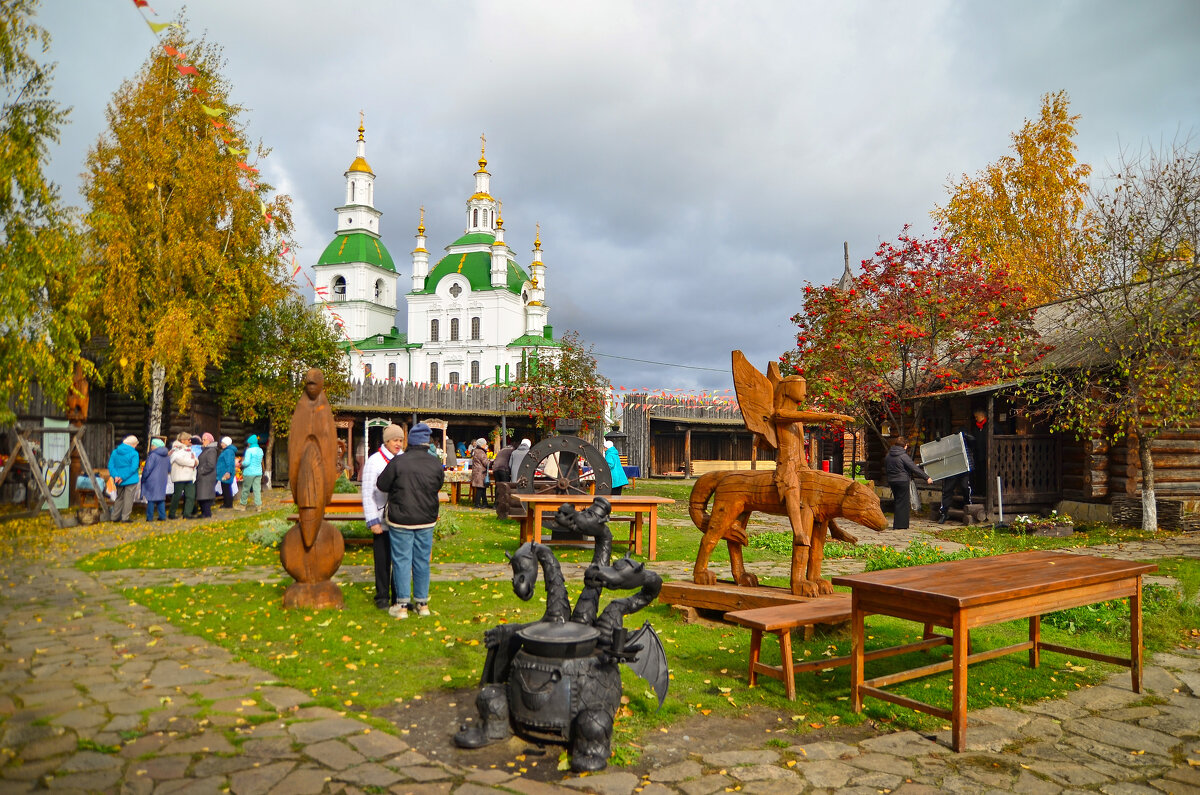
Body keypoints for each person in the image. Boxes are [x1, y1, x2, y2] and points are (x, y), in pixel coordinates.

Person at [377, 422, 444, 619]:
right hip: (426, 518)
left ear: (410, 441)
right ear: (426, 442)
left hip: (401, 519)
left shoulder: (398, 462)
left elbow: (382, 484)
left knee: (402, 561)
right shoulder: (435, 463)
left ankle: (402, 606)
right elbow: (438, 484)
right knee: (422, 561)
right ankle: (422, 605)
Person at [361, 424, 404, 609]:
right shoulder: (375, 461)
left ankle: (398, 597)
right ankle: (382, 597)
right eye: (395, 440)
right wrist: (372, 520)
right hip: (381, 517)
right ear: (387, 441)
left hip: (400, 519)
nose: (398, 444)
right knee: (382, 561)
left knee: (399, 561)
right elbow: (367, 492)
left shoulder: (403, 459)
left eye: (401, 440)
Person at [939, 409, 986, 522]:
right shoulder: (952, 443)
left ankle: (968, 506)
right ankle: (943, 512)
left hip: (965, 468)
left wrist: (964, 435)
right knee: (947, 489)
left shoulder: (969, 441)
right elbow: (944, 448)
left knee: (966, 487)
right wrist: (939, 441)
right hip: (953, 469)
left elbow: (973, 440)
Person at [884, 436, 933, 530]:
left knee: (898, 501)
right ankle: (901, 525)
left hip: (892, 481)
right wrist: (927, 478)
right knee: (903, 503)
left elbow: (886, 467)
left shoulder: (888, 455)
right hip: (902, 481)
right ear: (905, 446)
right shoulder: (903, 456)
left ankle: (898, 524)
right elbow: (914, 468)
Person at [106, 435, 141, 523]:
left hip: (118, 480)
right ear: (132, 444)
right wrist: (123, 477)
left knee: (119, 498)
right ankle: (125, 518)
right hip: (130, 479)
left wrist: (116, 476)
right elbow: (134, 468)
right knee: (128, 499)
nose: (136, 446)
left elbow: (111, 466)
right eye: (136, 444)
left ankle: (114, 516)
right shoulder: (134, 453)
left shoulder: (115, 452)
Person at [168, 433, 197, 519]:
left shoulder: (189, 450)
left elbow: (196, 459)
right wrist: (192, 462)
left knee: (191, 495)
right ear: (183, 440)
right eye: (189, 440)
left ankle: (187, 514)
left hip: (189, 476)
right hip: (180, 476)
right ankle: (172, 513)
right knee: (177, 496)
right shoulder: (176, 449)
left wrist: (195, 462)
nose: (190, 441)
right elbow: (179, 460)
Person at [141, 438, 170, 522]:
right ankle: (162, 516)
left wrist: (144, 477)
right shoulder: (167, 456)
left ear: (155, 446)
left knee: (151, 498)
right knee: (161, 498)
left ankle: (149, 517)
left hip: (152, 480)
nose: (151, 447)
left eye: (152, 445)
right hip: (162, 479)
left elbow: (147, 469)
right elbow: (169, 468)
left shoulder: (153, 456)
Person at [236, 434, 265, 511]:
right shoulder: (260, 450)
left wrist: (241, 463)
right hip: (258, 472)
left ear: (250, 443)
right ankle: (259, 506)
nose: (248, 444)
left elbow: (247, 462)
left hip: (249, 472)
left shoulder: (249, 451)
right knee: (257, 490)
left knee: (246, 489)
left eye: (248, 443)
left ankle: (242, 505)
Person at [195, 433, 219, 518]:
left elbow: (211, 464)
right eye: (202, 439)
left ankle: (207, 513)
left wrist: (201, 470)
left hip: (207, 476)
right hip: (204, 476)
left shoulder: (211, 450)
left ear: (209, 441)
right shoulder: (206, 449)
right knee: (202, 495)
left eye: (204, 440)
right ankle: (204, 513)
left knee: (205, 495)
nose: (202, 441)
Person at [216, 436, 237, 509]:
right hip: (224, 472)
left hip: (226, 473)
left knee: (226, 488)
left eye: (222, 443)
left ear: (226, 444)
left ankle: (228, 504)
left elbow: (229, 462)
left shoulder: (228, 451)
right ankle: (227, 503)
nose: (221, 444)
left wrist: (228, 472)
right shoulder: (227, 451)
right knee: (225, 488)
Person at [470, 438, 489, 508]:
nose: (486, 445)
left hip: (477, 471)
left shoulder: (475, 451)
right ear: (482, 445)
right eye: (485, 444)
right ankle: (477, 504)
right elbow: (485, 462)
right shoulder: (481, 452)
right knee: (480, 488)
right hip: (480, 472)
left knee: (482, 488)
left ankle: (485, 503)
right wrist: (491, 463)